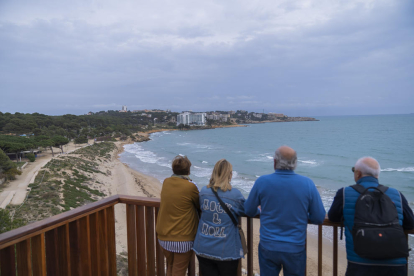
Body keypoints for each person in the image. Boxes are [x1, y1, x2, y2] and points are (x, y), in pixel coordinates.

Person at [245, 146, 326, 276]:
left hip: (268, 246)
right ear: (295, 163)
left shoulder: (262, 182)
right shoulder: (307, 184)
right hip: (295, 247)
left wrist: (261, 211)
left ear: (274, 162)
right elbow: (319, 217)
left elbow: (248, 210)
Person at [328, 157, 414, 276]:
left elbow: (332, 217)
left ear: (358, 173)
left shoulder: (344, 193)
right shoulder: (397, 194)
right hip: (396, 265)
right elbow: (410, 223)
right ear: (377, 175)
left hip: (359, 264)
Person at [193, 159, 255, 276]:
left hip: (203, 247)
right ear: (229, 175)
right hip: (225, 251)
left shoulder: (204, 191)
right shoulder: (235, 195)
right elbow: (248, 210)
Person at [156, 155, 200, 276]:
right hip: (182, 238)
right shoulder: (191, 186)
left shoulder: (166, 182)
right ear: (188, 170)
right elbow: (200, 204)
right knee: (178, 271)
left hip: (164, 236)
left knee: (170, 267)